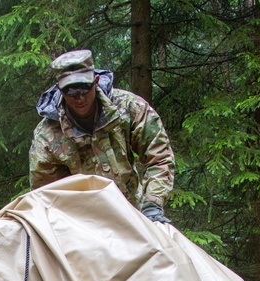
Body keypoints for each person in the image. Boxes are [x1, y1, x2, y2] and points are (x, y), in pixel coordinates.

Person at [29, 49, 176, 222]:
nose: (79, 98)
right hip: (82, 223)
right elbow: (46, 193)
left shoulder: (129, 108)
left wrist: (152, 204)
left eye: (85, 88)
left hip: (132, 213)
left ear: (96, 81)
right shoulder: (47, 136)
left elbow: (159, 157)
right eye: (71, 91)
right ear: (59, 89)